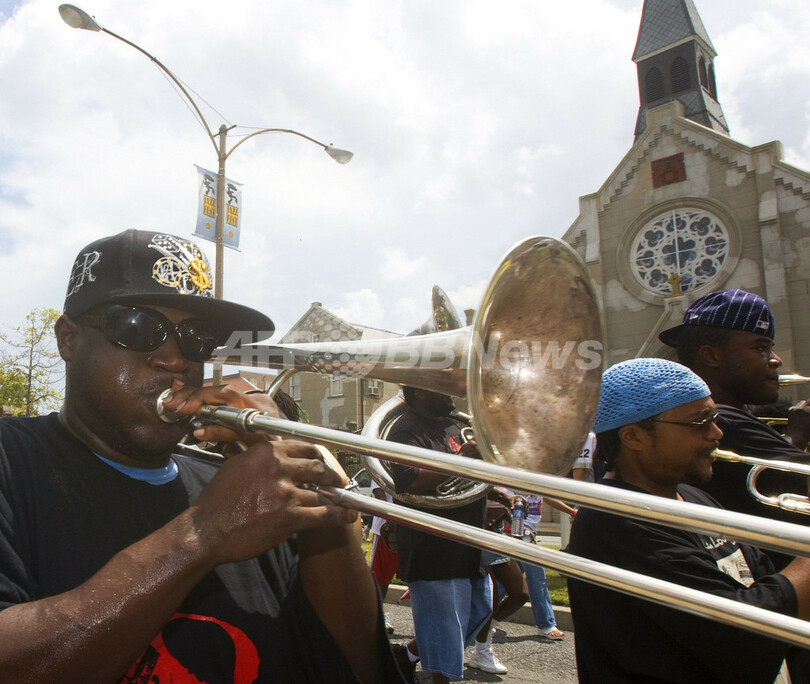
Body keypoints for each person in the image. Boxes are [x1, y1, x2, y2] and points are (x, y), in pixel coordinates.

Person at [0, 230, 404, 683]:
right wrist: (202, 533)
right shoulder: (11, 459)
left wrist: (321, 501)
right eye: (137, 327)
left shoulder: (248, 488)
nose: (175, 359)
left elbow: (356, 665)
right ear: (69, 339)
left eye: (196, 339)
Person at [567, 357, 810, 683]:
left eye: (714, 419)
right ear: (633, 437)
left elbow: (761, 577)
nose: (717, 433)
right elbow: (740, 635)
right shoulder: (613, 521)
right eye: (700, 422)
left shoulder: (692, 497)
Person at [659, 288, 810, 569]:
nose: (776, 360)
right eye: (760, 348)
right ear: (711, 356)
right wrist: (797, 435)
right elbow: (795, 478)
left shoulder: (732, 419)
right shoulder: (724, 421)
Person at [387, 386, 492, 684]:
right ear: (420, 392)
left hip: (468, 538)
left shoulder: (456, 424)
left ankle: (406, 655)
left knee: (480, 611)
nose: (452, 393)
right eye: (442, 387)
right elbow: (408, 481)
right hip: (432, 545)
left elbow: (473, 474)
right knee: (446, 628)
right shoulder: (405, 430)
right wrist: (461, 461)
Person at [368, 479, 399, 633]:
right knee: (381, 577)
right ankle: (377, 616)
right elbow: (377, 490)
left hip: (412, 525)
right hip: (386, 529)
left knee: (416, 577)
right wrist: (390, 518)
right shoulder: (384, 464)